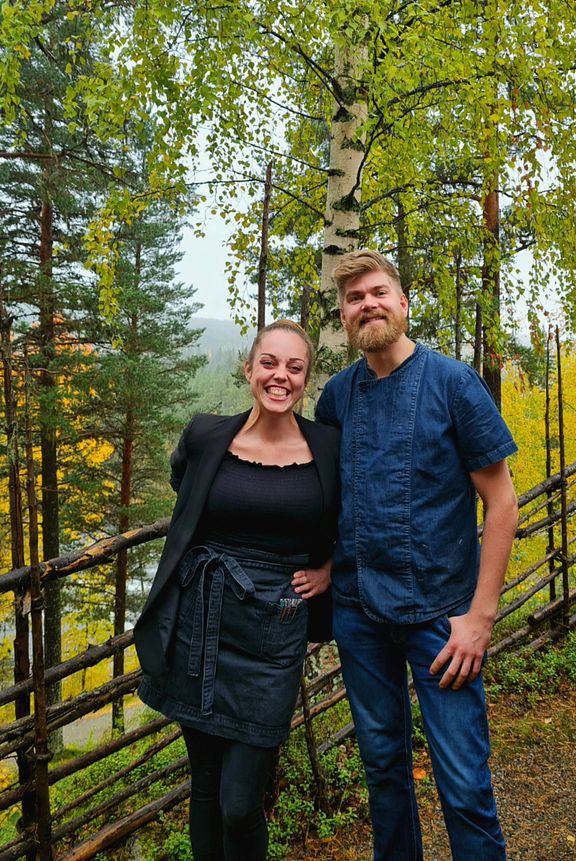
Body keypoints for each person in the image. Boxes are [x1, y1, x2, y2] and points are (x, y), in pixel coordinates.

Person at [315, 250, 518, 861]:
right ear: (346, 318)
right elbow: (332, 497)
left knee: (463, 783)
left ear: (403, 304)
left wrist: (480, 618)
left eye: (377, 293)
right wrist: (326, 562)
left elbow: (502, 503)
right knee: (383, 772)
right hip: (359, 614)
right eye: (354, 299)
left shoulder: (453, 383)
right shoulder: (336, 398)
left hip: (443, 620)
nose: (367, 305)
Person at [134, 320, 340, 861]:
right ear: (248, 369)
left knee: (240, 802)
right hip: (201, 623)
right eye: (269, 363)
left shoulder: (328, 448)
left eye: (295, 368)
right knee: (204, 792)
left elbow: (361, 518)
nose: (280, 376)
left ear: (306, 379)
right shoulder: (206, 435)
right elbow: (186, 490)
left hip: (275, 633)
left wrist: (331, 568)